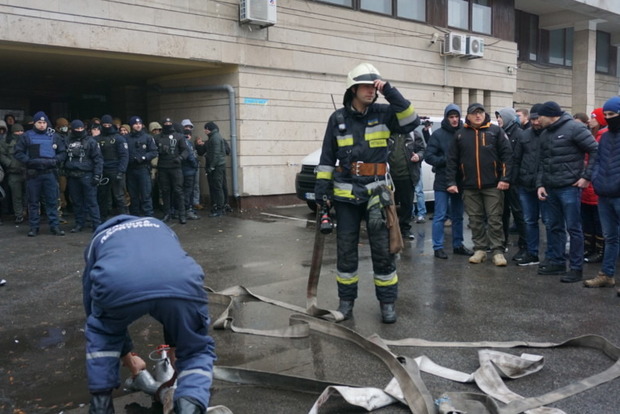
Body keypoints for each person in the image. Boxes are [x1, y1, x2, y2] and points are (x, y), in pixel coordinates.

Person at [314, 62, 419, 324]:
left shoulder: (385, 113)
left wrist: (390, 91)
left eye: (374, 86)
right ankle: (346, 303)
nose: (371, 90)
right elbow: (327, 159)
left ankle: (387, 304)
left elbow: (410, 121)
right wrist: (322, 195)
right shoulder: (337, 119)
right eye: (366, 86)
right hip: (346, 195)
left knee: (383, 251)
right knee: (346, 251)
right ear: (353, 88)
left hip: (377, 193)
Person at [82, 215, 215, 414]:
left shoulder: (98, 238)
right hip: (180, 280)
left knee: (103, 334)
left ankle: (101, 404)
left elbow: (92, 304)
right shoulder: (160, 226)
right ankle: (190, 406)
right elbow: (165, 278)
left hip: (118, 282)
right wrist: (176, 345)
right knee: (195, 349)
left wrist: (127, 355)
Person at [536, 101, 598, 283]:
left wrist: (586, 177)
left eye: (540, 116)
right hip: (551, 188)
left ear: (550, 115)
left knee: (574, 228)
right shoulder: (545, 133)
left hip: (570, 188)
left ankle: (576, 268)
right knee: (554, 226)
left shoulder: (574, 128)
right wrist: (540, 184)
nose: (537, 120)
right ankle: (557, 262)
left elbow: (595, 150)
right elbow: (542, 161)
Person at [446, 103, 513, 266]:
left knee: (494, 218)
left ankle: (498, 251)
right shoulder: (460, 135)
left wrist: (505, 179)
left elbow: (507, 156)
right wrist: (451, 182)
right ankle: (480, 249)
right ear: (468, 116)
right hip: (469, 185)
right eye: (474, 113)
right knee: (475, 219)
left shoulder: (496, 131)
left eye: (480, 113)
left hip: (493, 185)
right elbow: (452, 161)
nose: (478, 116)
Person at [424, 104, 473, 259]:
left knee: (458, 215)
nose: (454, 119)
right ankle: (438, 247)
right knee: (440, 215)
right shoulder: (438, 135)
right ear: (447, 117)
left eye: (456, 116)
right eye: (451, 117)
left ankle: (458, 244)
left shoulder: (464, 132)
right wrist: (446, 160)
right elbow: (428, 156)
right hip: (442, 180)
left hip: (459, 180)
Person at [584, 96, 620, 293]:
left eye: (612, 114)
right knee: (610, 237)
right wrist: (596, 180)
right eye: (605, 114)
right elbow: (596, 161)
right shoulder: (605, 136)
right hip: (604, 194)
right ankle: (606, 275)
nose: (608, 118)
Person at [14, 111, 67, 237]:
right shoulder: (27, 136)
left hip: (49, 172)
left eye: (44, 122)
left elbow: (62, 152)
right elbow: (18, 152)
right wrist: (29, 161)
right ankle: (34, 227)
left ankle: (54, 226)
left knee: (52, 201)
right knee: (33, 202)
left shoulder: (54, 136)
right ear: (35, 123)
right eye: (39, 122)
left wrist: (55, 161)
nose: (42, 125)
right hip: (34, 173)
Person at [512, 103, 549, 266]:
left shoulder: (550, 135)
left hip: (546, 186)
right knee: (529, 220)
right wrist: (513, 180)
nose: (535, 122)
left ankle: (552, 256)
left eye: (537, 119)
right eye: (532, 119)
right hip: (525, 185)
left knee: (549, 222)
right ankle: (532, 253)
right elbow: (516, 159)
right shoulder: (524, 135)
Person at [496, 107, 527, 261]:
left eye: (500, 117)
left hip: (514, 182)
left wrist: (510, 179)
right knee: (502, 213)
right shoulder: (501, 133)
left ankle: (524, 245)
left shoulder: (519, 134)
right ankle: (502, 242)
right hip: (503, 181)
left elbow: (517, 160)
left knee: (518, 213)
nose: (498, 120)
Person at [64, 120, 104, 233]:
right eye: (77, 129)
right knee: (76, 202)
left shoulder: (91, 142)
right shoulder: (67, 140)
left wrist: (97, 175)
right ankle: (79, 223)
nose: (79, 131)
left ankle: (96, 224)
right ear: (72, 129)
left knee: (92, 202)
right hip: (72, 175)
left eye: (81, 129)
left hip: (87, 174)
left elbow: (98, 159)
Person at [581, 108, 607, 264]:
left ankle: (599, 250)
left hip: (596, 187)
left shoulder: (603, 137)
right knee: (587, 220)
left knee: (599, 222)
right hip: (586, 188)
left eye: (593, 118)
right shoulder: (591, 136)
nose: (590, 121)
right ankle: (589, 247)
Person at [388, 130, 424, 240]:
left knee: (407, 205)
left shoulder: (414, 134)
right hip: (389, 177)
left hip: (407, 176)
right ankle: (389, 229)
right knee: (388, 205)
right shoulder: (387, 133)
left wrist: (418, 156)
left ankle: (405, 229)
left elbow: (423, 150)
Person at [154, 117, 189, 224]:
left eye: (169, 123)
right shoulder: (157, 137)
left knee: (178, 191)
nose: (168, 124)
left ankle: (182, 215)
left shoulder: (179, 136)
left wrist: (180, 158)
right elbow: (153, 151)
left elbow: (185, 150)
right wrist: (159, 151)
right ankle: (167, 214)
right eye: (165, 123)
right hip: (163, 167)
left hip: (176, 167)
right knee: (165, 191)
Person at [97, 114, 129, 220]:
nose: (107, 126)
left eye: (109, 124)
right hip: (103, 170)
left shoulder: (119, 138)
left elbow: (124, 156)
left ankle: (125, 218)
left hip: (116, 170)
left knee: (119, 196)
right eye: (105, 124)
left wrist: (121, 171)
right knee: (103, 196)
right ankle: (103, 218)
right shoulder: (97, 139)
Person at [125, 116, 158, 217]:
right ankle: (135, 216)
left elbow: (154, 152)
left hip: (143, 168)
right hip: (130, 169)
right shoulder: (126, 138)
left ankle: (148, 216)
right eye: (135, 124)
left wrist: (143, 158)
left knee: (146, 194)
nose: (138, 125)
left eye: (139, 123)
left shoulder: (147, 137)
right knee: (133, 195)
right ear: (131, 125)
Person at [0, 123, 26, 224]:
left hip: (27, 171)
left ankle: (26, 212)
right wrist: (10, 164)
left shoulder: (27, 141)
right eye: (17, 131)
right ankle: (19, 215)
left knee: (28, 195)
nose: (19, 133)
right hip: (13, 173)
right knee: (16, 196)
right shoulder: (6, 142)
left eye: (21, 131)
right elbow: (2, 155)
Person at [204, 122, 228, 217]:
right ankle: (220, 207)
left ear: (209, 129)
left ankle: (220, 208)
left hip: (217, 166)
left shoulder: (215, 138)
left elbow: (216, 154)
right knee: (219, 186)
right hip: (218, 165)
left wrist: (211, 167)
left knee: (218, 187)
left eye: (205, 128)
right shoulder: (215, 137)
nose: (204, 130)